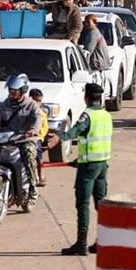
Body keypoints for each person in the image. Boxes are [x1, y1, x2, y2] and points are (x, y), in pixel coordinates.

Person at [46, 83, 112, 256]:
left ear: (87, 98)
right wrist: (79, 160)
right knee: (101, 204)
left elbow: (76, 130)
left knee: (82, 204)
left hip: (89, 167)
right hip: (102, 165)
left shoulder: (88, 115)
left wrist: (60, 137)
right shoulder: (106, 115)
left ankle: (81, 244)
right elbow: (96, 141)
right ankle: (103, 241)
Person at [0, 74, 42, 201]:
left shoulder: (31, 105)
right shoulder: (5, 104)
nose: (12, 92)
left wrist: (33, 130)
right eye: (10, 90)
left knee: (28, 152)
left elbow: (38, 117)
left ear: (23, 90)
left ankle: (33, 186)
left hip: (25, 138)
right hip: (8, 138)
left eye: (14, 90)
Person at [29, 88, 50, 186]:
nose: (37, 103)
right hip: (24, 137)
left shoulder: (42, 114)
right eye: (35, 101)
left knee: (38, 156)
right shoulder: (25, 111)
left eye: (39, 101)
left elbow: (45, 127)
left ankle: (41, 174)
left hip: (36, 138)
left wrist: (39, 135)